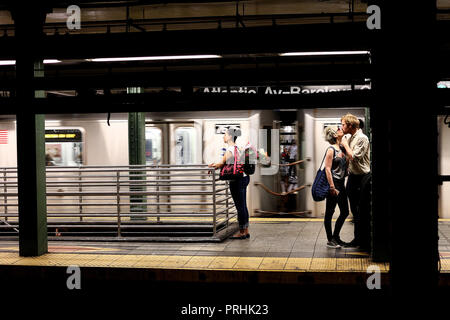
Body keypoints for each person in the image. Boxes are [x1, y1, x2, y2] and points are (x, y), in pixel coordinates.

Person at [208, 127, 250, 240]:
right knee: (243, 206)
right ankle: (245, 230)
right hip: (244, 178)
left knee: (240, 206)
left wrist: (213, 166)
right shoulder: (239, 148)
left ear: (230, 136)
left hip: (236, 180)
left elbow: (221, 164)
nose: (223, 136)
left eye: (225, 134)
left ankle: (241, 232)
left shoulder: (230, 149)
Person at [340, 114, 371, 252]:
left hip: (362, 178)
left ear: (351, 126)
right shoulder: (352, 137)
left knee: (360, 211)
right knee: (354, 210)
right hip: (353, 177)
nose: (342, 127)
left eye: (344, 125)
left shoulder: (362, 138)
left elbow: (355, 157)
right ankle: (357, 239)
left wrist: (345, 144)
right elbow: (348, 156)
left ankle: (362, 241)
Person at [323, 126, 349, 249]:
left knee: (344, 212)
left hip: (341, 183)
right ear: (334, 135)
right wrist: (332, 187)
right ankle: (330, 239)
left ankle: (336, 237)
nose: (341, 129)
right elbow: (328, 169)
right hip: (334, 184)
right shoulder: (331, 149)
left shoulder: (343, 148)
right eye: (338, 129)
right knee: (330, 212)